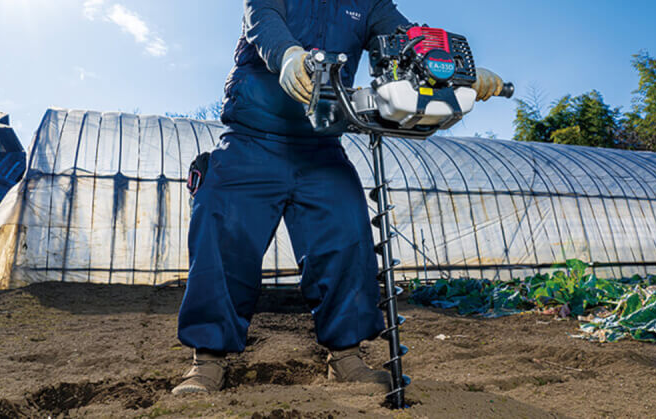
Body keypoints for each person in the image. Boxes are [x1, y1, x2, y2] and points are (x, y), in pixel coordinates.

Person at [172, 0, 504, 394]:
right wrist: (289, 54)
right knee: (221, 229)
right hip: (252, 137)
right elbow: (263, 22)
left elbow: (409, 42)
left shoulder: (370, 4)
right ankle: (207, 362)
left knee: (347, 236)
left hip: (321, 144)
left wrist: (458, 75)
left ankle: (346, 358)